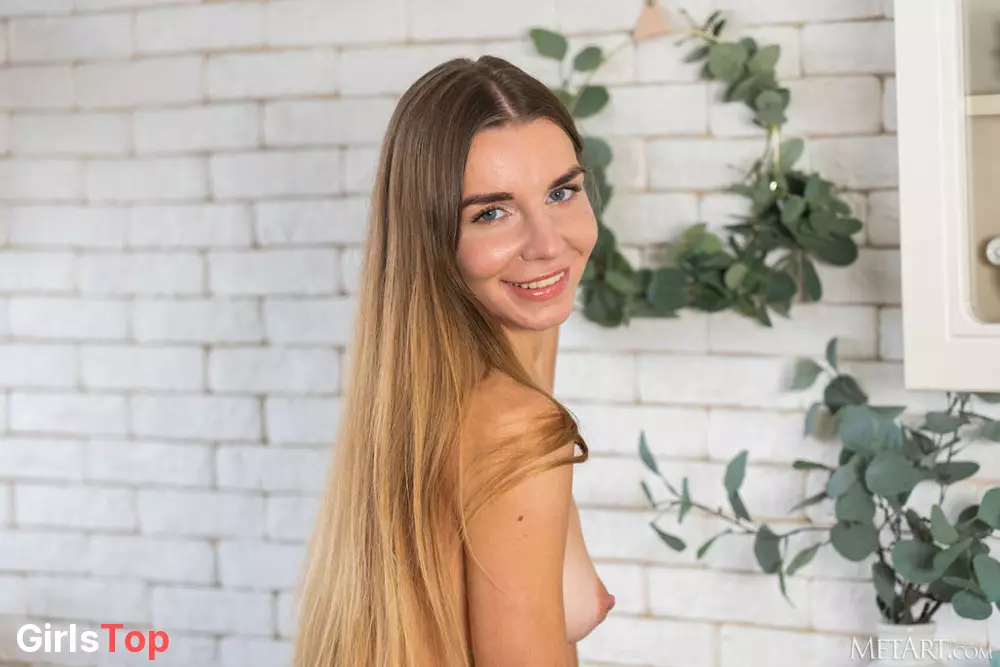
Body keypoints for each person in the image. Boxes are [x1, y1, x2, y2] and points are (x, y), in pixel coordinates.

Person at [292, 54, 615, 667]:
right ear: (431, 236)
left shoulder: (435, 399)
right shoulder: (514, 425)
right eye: (492, 212)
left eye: (561, 192)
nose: (549, 243)